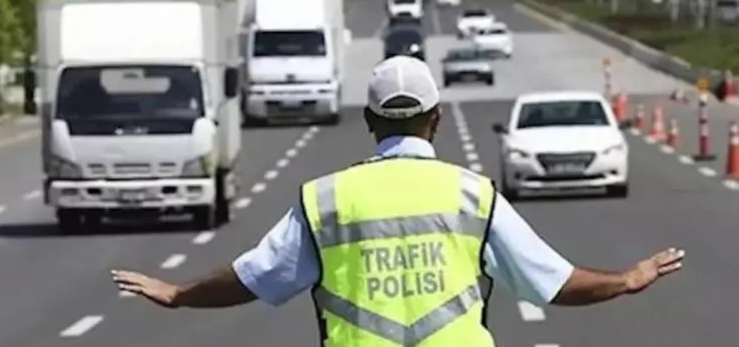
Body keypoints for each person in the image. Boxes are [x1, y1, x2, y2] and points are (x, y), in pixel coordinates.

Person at [111, 56, 685, 346]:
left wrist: (179, 294)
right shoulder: (472, 194)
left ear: (369, 120)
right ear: (436, 119)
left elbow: (255, 277)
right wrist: (626, 279)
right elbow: (553, 284)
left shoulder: (325, 200)